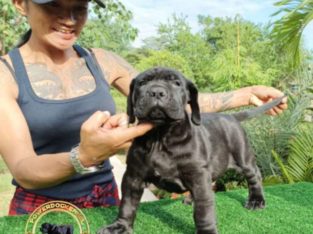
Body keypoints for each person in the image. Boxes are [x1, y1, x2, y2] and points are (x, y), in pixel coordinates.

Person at [0, 0, 287, 216]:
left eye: (80, 7)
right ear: (20, 4)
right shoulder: (6, 75)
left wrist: (247, 94)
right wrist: (85, 155)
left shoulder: (101, 60)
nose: (70, 19)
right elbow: (24, 169)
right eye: (55, 6)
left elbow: (171, 101)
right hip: (39, 211)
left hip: (107, 202)